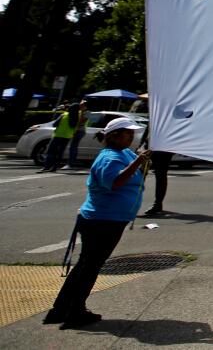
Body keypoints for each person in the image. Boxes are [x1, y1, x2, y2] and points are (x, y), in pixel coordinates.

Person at [45, 117, 149, 329]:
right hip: (101, 221)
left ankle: (62, 309)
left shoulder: (125, 153)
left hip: (111, 219)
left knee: (87, 265)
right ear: (113, 136)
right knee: (89, 267)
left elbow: (136, 175)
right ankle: (74, 311)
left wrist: (141, 162)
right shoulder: (109, 157)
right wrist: (138, 162)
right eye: (127, 133)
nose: (131, 136)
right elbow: (114, 182)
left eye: (132, 133)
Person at [138, 122, 174, 217]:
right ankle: (134, 201)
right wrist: (141, 144)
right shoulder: (156, 110)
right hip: (149, 147)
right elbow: (148, 128)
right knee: (141, 174)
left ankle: (158, 204)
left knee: (160, 175)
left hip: (163, 148)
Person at [39, 103, 81, 173]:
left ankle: (46, 167)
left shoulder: (64, 115)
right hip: (67, 136)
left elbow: (54, 124)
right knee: (60, 152)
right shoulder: (77, 118)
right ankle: (54, 167)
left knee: (51, 151)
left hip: (58, 135)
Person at [66, 100, 89, 168]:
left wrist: (75, 131)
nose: (80, 105)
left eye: (81, 104)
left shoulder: (86, 112)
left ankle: (70, 164)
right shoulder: (81, 112)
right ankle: (72, 162)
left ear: (84, 105)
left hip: (79, 131)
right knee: (74, 147)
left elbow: (80, 122)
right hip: (79, 131)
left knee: (73, 147)